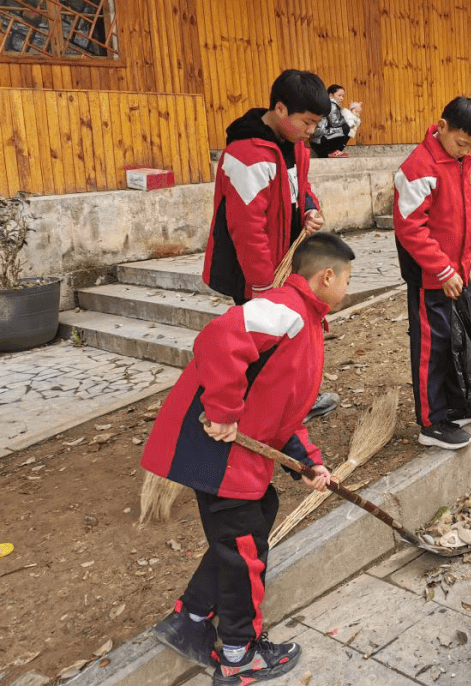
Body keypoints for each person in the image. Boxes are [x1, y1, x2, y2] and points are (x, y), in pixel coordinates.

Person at [143, 233, 355, 685]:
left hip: (237, 451)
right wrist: (221, 412)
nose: (348, 288)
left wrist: (309, 461)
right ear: (326, 275)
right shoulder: (286, 310)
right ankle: (239, 655)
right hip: (215, 447)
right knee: (242, 549)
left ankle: (191, 619)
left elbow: (284, 410)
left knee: (259, 514)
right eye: (348, 279)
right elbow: (220, 337)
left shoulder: (309, 323)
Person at [202, 69, 339, 422]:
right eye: (307, 123)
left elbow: (301, 189)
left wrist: (310, 209)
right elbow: (247, 231)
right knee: (265, 342)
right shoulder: (248, 155)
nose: (311, 132)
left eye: (315, 124)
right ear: (280, 109)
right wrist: (263, 287)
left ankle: (290, 404)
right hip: (253, 271)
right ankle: (268, 413)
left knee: (287, 337)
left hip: (284, 260)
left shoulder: (292, 146)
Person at [393, 97, 471, 450]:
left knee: (458, 340)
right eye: (460, 142)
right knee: (432, 347)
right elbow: (411, 229)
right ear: (441, 126)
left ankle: (458, 404)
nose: (464, 151)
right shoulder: (417, 168)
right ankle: (432, 421)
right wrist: (441, 269)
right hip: (430, 279)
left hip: (460, 272)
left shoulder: (470, 161)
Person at [311, 84, 361, 158]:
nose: (341, 98)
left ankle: (334, 151)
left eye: (343, 96)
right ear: (331, 95)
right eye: (339, 95)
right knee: (346, 127)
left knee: (346, 126)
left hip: (317, 141)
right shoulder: (332, 104)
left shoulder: (326, 104)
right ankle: (334, 151)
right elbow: (335, 123)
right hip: (322, 141)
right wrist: (349, 118)